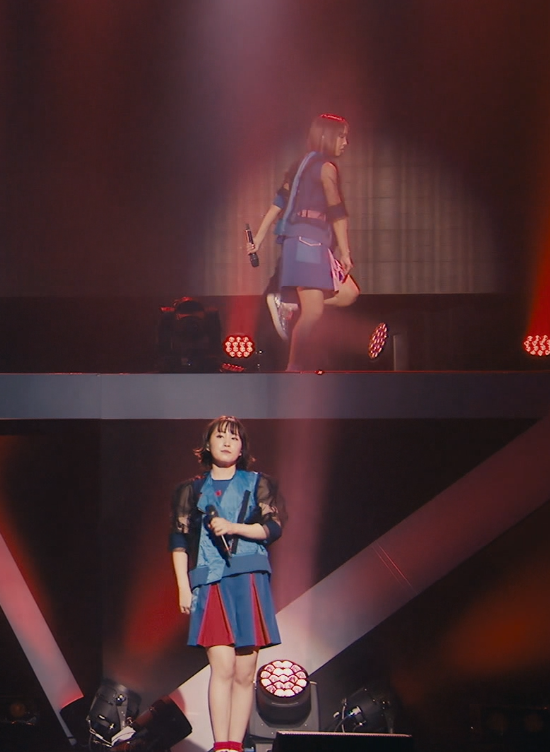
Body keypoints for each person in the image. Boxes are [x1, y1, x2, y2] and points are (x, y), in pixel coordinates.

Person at [170, 416, 284, 752]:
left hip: (249, 579)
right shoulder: (191, 490)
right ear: (207, 445)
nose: (227, 442)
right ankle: (222, 746)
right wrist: (183, 586)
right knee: (222, 667)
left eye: (234, 438)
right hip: (211, 581)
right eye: (220, 436)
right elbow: (179, 541)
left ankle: (235, 744)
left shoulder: (258, 483)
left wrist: (234, 528)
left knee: (245, 671)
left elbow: (272, 528)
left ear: (242, 447)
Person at [246, 114, 360, 370]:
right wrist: (345, 251)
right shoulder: (325, 168)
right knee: (313, 313)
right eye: (341, 137)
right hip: (308, 243)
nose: (345, 142)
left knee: (349, 293)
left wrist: (260, 238)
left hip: (308, 242)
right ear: (326, 136)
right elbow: (337, 211)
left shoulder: (301, 165)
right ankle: (294, 366)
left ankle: (290, 305)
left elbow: (278, 204)